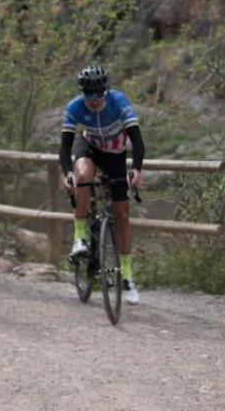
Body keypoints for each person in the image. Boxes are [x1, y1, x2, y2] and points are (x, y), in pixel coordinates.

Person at [60, 64, 145, 306]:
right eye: (89, 96)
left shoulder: (118, 101)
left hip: (115, 155)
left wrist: (136, 169)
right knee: (83, 175)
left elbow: (138, 141)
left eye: (100, 96)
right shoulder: (74, 107)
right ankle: (80, 238)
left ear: (106, 91)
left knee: (122, 213)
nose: (95, 101)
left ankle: (127, 275)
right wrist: (68, 173)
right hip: (90, 148)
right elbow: (64, 149)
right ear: (82, 93)